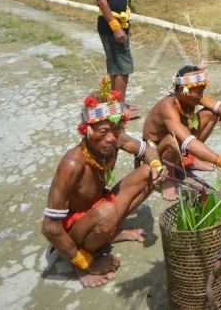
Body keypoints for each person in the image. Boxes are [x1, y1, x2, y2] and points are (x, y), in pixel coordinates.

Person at [41, 77, 165, 288]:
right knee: (106, 211)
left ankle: (111, 233)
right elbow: (50, 228)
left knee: (148, 173)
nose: (110, 138)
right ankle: (88, 253)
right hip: (75, 231)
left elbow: (148, 150)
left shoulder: (117, 138)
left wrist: (156, 164)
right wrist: (84, 264)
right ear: (87, 132)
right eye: (102, 132)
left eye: (115, 130)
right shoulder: (72, 164)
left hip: (100, 208)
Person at [142, 65, 221, 200]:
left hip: (182, 141)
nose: (200, 96)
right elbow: (189, 141)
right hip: (156, 152)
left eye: (202, 91)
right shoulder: (167, 107)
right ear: (182, 90)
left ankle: (188, 159)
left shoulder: (193, 96)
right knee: (173, 140)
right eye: (198, 92)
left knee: (211, 114)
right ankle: (169, 174)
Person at [93, 0, 137, 118]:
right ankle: (118, 110)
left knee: (118, 66)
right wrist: (115, 27)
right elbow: (102, 1)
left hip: (120, 23)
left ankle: (119, 104)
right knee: (122, 67)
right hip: (112, 26)